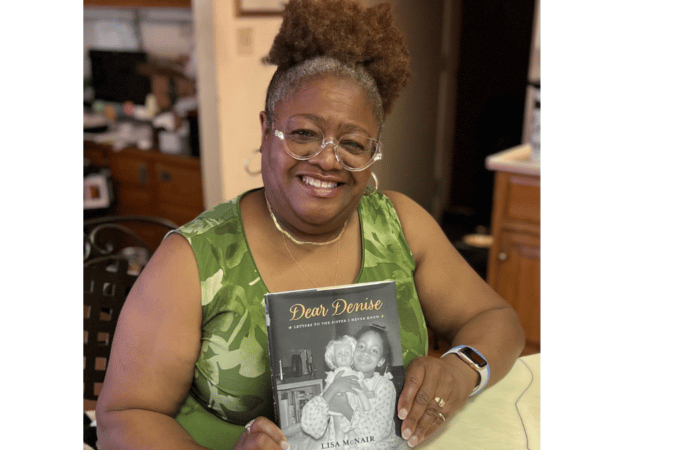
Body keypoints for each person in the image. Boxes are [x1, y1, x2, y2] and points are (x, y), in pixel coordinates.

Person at [96, 1, 525, 449]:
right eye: (303, 133)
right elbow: (123, 416)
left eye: (353, 143)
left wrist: (461, 369)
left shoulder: (399, 225)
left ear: (373, 153)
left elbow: (496, 319)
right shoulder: (194, 259)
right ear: (266, 132)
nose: (326, 159)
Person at [299, 325, 400, 449]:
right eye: (361, 346)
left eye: (374, 350)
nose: (365, 353)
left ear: (381, 361)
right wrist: (332, 389)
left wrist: (345, 408)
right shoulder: (339, 379)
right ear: (352, 350)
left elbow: (377, 433)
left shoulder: (384, 386)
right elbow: (311, 427)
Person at [319, 334, 372, 443]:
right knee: (339, 431)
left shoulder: (357, 374)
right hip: (338, 407)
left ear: (353, 357)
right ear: (333, 359)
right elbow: (327, 391)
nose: (343, 356)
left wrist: (367, 392)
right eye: (339, 354)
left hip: (353, 408)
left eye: (347, 353)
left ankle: (353, 446)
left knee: (352, 431)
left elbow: (362, 386)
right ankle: (340, 446)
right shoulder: (332, 376)